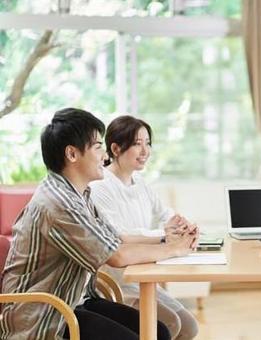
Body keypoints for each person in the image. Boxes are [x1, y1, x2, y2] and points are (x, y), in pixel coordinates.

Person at [0, 108, 196, 340]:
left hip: (73, 300)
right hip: (43, 315)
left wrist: (166, 239)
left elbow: (116, 237)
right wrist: (174, 249)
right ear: (72, 154)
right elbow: (117, 256)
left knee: (158, 332)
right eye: (97, 146)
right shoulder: (59, 204)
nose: (104, 156)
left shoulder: (79, 194)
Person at [89, 115, 199, 340]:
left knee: (189, 327)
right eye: (137, 144)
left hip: (144, 274)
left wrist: (181, 225)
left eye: (147, 143)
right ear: (116, 148)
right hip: (119, 280)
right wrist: (165, 236)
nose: (145, 150)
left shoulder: (140, 182)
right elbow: (118, 236)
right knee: (170, 324)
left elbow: (164, 213)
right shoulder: (100, 186)